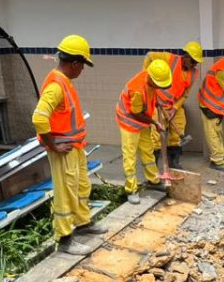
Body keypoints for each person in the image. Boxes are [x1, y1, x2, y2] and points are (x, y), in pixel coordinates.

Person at [32, 35, 106, 254]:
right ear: (74, 62)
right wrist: (53, 146)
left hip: (73, 147)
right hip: (62, 150)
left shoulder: (64, 81)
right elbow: (38, 118)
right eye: (82, 64)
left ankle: (83, 224)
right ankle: (65, 239)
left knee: (81, 186)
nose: (82, 69)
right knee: (65, 193)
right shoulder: (56, 86)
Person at [116, 59, 173, 205]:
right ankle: (131, 189)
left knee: (148, 151)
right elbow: (136, 113)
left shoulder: (150, 78)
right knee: (130, 157)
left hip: (142, 122)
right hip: (129, 123)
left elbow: (150, 95)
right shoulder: (137, 89)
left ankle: (153, 180)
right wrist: (155, 122)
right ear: (152, 79)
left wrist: (157, 101)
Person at [143, 41, 203, 169]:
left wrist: (175, 108)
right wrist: (146, 79)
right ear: (185, 56)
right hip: (158, 104)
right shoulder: (170, 59)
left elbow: (185, 95)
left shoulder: (194, 73)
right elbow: (149, 56)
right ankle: (153, 166)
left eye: (196, 63)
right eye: (192, 61)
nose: (194, 65)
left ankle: (174, 162)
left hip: (174, 105)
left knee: (178, 130)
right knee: (157, 135)